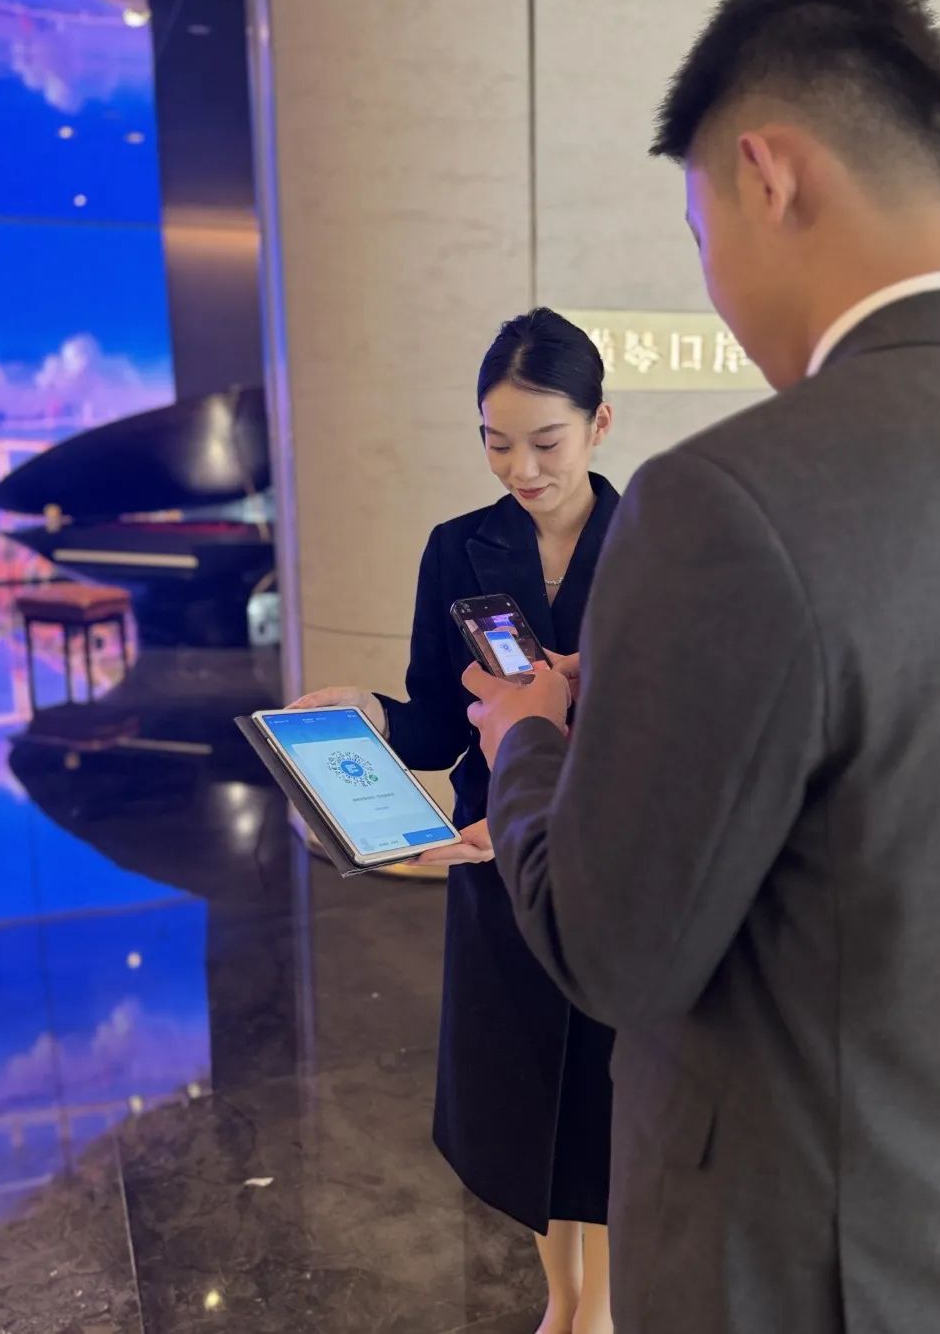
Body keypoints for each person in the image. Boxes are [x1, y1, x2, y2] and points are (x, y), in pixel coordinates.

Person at [459, 0, 940, 1334]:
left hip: (789, 1266)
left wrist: (531, 740)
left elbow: (612, 949)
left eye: (702, 232)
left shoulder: (724, 501)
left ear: (769, 174)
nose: (717, 282)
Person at [290, 308, 618, 1334]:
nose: (522, 468)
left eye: (546, 441)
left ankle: (602, 1312)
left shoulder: (659, 545)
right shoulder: (457, 549)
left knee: (607, 1095)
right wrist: (371, 712)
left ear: (599, 424)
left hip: (614, 861)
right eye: (496, 441)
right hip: (498, 854)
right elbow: (437, 723)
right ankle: (562, 1297)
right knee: (522, 1100)